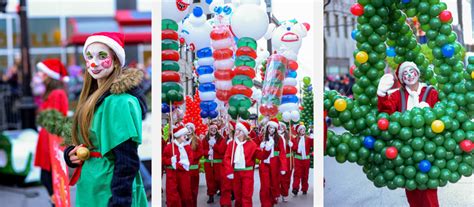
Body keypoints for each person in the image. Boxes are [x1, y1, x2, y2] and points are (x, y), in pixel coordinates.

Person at [63, 32, 148, 207]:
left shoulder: (120, 102)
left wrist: (120, 201)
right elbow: (87, 140)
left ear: (116, 60)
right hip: (90, 186)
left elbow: (126, 161)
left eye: (102, 56)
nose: (93, 62)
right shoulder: (91, 97)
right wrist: (71, 154)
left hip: (109, 190)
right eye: (89, 56)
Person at [377, 61, 439, 207]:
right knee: (412, 189)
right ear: (401, 79)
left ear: (418, 72)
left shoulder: (431, 92)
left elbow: (441, 115)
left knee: (429, 191)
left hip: (428, 150)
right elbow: (387, 112)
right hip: (406, 151)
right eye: (405, 73)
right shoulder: (398, 95)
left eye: (412, 71)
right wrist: (381, 94)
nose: (409, 75)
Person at [33, 58, 69, 206]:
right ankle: (55, 201)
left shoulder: (56, 94)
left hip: (51, 141)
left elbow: (56, 119)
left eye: (42, 72)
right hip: (47, 139)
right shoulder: (53, 92)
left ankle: (56, 202)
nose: (40, 75)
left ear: (49, 75)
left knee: (49, 178)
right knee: (48, 178)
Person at [224, 120, 273, 207]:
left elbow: (261, 156)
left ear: (243, 132)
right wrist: (229, 171)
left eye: (239, 130)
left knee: (247, 195)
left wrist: (267, 150)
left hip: (247, 173)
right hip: (235, 173)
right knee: (238, 196)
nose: (236, 132)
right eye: (236, 130)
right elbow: (227, 158)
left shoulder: (251, 144)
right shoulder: (232, 144)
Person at [256, 118, 287, 206]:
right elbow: (254, 147)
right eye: (270, 128)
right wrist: (260, 147)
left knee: (274, 183)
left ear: (276, 129)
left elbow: (282, 153)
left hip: (275, 163)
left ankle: (272, 199)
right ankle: (266, 203)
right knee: (265, 185)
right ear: (267, 128)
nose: (271, 130)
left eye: (273, 128)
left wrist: (283, 167)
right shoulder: (262, 137)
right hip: (264, 163)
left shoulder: (279, 139)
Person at [163, 125, 193, 206]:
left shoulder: (187, 147)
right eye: (184, 135)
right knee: (173, 196)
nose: (186, 136)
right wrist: (170, 161)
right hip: (172, 174)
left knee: (186, 195)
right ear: (179, 136)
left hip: (184, 174)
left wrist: (178, 164)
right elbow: (163, 159)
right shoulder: (169, 147)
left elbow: (190, 160)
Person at [202, 121, 227, 203]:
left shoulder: (221, 139)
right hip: (208, 162)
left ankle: (220, 190)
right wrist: (207, 152)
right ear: (209, 129)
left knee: (219, 178)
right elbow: (201, 150)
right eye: (211, 128)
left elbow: (222, 150)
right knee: (209, 179)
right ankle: (211, 195)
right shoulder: (205, 139)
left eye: (214, 128)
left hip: (218, 163)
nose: (213, 130)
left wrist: (214, 145)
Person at [290, 123, 313, 196]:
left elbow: (314, 145)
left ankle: (304, 189)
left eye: (304, 129)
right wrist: (291, 144)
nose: (303, 130)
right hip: (297, 159)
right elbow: (294, 149)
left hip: (306, 160)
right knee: (297, 174)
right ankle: (295, 188)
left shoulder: (308, 139)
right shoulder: (295, 139)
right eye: (301, 129)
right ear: (299, 131)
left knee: (305, 175)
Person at [184, 122, 203, 207]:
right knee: (185, 190)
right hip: (184, 170)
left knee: (193, 190)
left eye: (190, 128)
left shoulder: (197, 140)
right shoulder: (183, 139)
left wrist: (191, 156)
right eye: (187, 128)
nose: (188, 130)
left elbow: (200, 152)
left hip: (194, 169)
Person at [278, 121, 293, 201]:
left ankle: (284, 193)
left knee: (286, 178)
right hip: (278, 160)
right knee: (278, 178)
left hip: (288, 160)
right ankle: (277, 193)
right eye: (279, 126)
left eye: (282, 126)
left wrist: (292, 145)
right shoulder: (275, 137)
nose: (280, 127)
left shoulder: (289, 136)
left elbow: (296, 148)